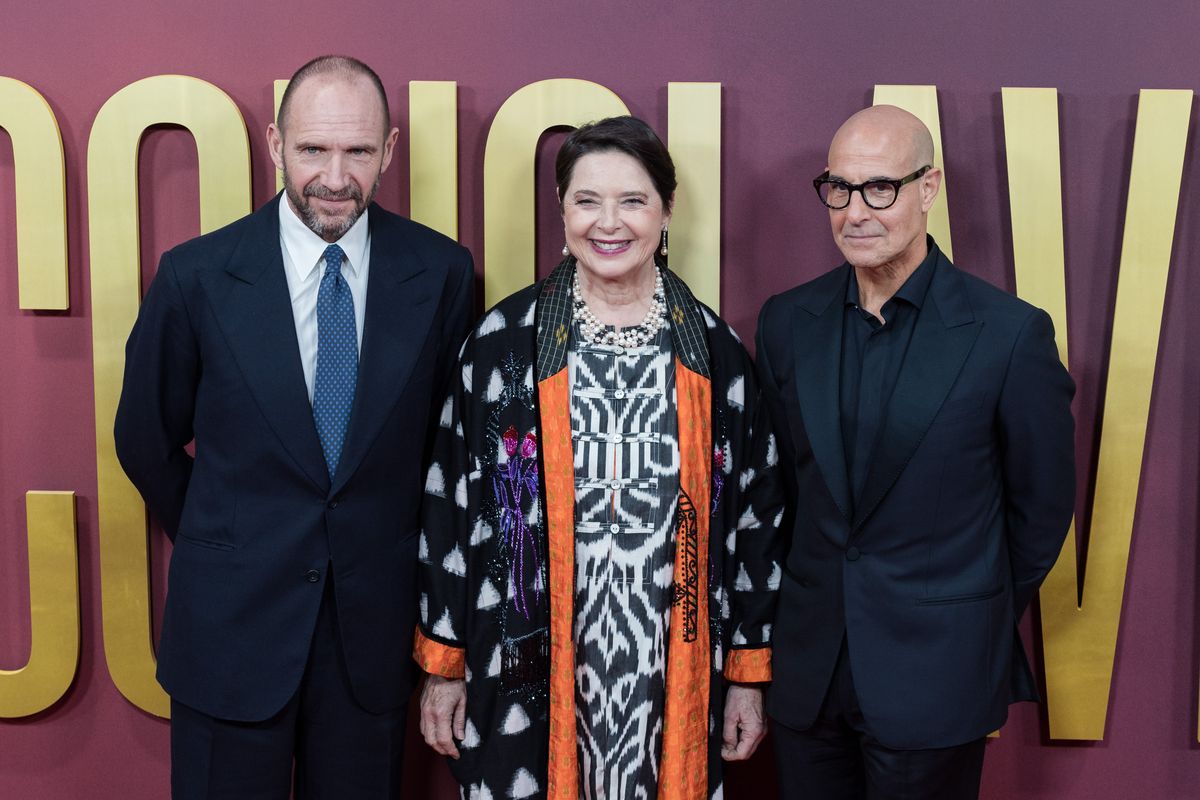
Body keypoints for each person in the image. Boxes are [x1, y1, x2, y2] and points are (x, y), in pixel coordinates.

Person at [113, 55, 474, 799]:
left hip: (371, 642)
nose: (335, 177)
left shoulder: (441, 273)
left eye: (358, 152)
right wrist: (227, 532)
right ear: (276, 144)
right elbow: (143, 437)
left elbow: (451, 457)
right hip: (228, 630)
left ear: (390, 151)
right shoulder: (197, 275)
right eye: (314, 150)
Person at [414, 116, 783, 799]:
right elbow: (447, 511)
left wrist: (747, 680)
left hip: (671, 670)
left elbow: (758, 524)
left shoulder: (717, 354)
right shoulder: (501, 344)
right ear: (561, 211)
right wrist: (444, 666)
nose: (608, 223)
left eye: (633, 201)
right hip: (525, 660)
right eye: (587, 201)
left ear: (666, 212)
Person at [756, 105, 1076, 800]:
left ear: (928, 188)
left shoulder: (1008, 336)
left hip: (938, 676)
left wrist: (959, 613)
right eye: (838, 189)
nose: (855, 212)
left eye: (880, 188)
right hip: (809, 676)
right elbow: (779, 496)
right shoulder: (787, 322)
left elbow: (1042, 512)